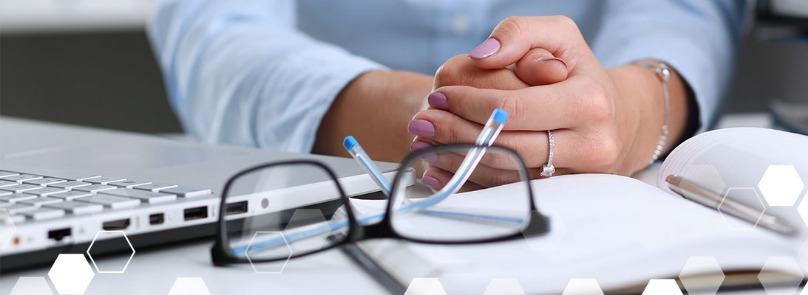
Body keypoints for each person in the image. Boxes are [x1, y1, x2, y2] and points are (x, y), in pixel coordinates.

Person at [148, 1, 745, 185]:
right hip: (323, 193)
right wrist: (434, 115)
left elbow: (683, 15)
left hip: (612, 205)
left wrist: (625, 110)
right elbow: (213, 31)